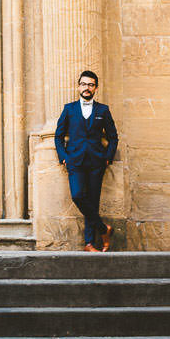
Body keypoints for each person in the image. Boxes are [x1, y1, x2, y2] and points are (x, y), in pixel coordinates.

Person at [55, 70, 119, 252]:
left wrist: (107, 158)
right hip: (75, 161)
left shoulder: (103, 110)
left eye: (91, 85)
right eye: (84, 84)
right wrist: (64, 157)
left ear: (96, 88)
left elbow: (113, 137)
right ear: (78, 86)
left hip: (96, 162)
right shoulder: (69, 109)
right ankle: (103, 228)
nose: (87, 88)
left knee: (93, 201)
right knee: (77, 196)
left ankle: (89, 243)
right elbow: (58, 136)